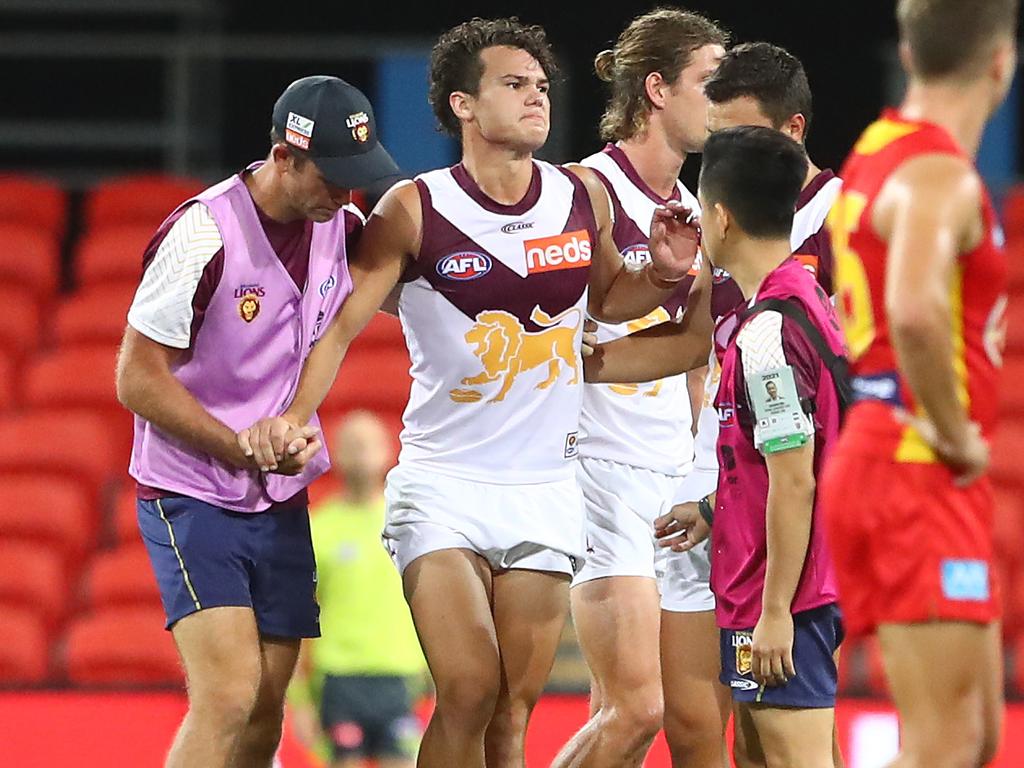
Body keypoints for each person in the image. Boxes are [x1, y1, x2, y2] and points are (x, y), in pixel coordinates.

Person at [238, 17, 711, 768]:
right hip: (444, 487)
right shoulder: (414, 209)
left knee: (511, 716)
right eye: (514, 85)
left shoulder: (579, 195)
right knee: (466, 688)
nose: (536, 100)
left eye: (542, 87)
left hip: (547, 488)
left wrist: (659, 273)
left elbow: (612, 300)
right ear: (462, 105)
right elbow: (337, 329)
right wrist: (294, 416)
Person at [115, 75, 399, 768]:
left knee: (270, 702)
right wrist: (235, 445)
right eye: (333, 177)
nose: (345, 194)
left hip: (276, 493)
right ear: (283, 158)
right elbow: (135, 377)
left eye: (357, 179)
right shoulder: (202, 233)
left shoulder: (341, 225)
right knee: (230, 695)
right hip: (191, 490)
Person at [601, 125, 846, 767]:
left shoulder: (765, 334)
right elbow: (783, 462)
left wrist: (774, 614)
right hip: (767, 587)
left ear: (721, 217)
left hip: (778, 599)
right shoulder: (805, 302)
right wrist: (712, 510)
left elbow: (797, 480)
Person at [819, 1, 1016, 765]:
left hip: (884, 456)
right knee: (942, 746)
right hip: (912, 462)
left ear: (908, 48)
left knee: (973, 741)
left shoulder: (877, 148)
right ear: (1001, 63)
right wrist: (951, 426)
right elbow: (912, 306)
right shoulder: (937, 172)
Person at [550, 10, 729, 768]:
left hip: (668, 479)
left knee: (628, 717)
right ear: (656, 89)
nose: (721, 103)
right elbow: (568, 335)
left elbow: (697, 358)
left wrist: (695, 466)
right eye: (709, 84)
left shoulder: (693, 210)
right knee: (637, 709)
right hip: (596, 468)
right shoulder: (583, 191)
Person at [287, 411, 426, 768]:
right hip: (339, 678)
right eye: (352, 444)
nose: (361, 451)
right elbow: (296, 616)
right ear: (336, 453)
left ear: (389, 450)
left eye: (369, 442)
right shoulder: (320, 528)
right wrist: (299, 700)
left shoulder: (412, 525)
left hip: (400, 675)